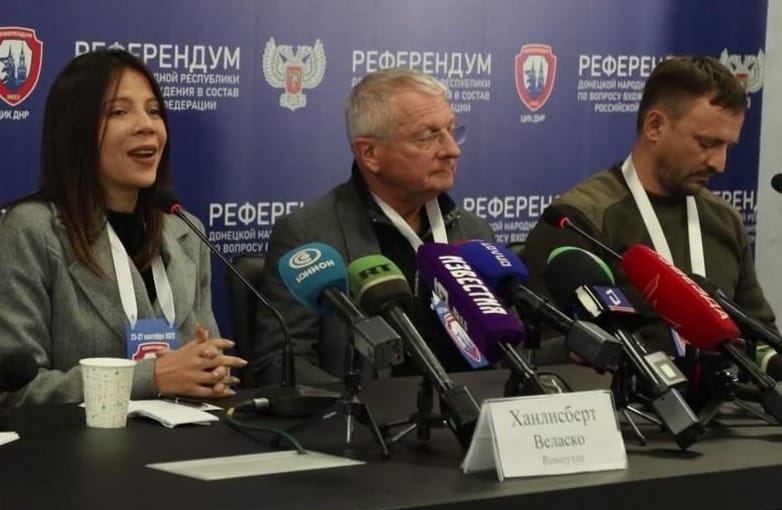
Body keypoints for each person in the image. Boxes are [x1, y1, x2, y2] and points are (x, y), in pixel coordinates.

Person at [0, 49, 247, 407]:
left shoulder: (184, 231)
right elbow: (15, 392)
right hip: (74, 454)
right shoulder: (31, 230)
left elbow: (207, 359)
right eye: (119, 112)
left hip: (186, 443)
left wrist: (210, 371)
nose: (146, 125)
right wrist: (152, 378)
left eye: (153, 111)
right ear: (76, 130)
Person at [522, 55, 781, 377]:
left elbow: (760, 337)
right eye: (707, 143)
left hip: (731, 413)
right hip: (628, 417)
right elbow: (540, 349)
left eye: (728, 146)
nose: (719, 163)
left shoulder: (723, 219)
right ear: (655, 126)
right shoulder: (580, 219)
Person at [252, 68, 494, 385]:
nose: (452, 150)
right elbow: (281, 364)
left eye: (452, 130)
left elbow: (505, 348)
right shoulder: (308, 235)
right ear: (370, 153)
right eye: (428, 137)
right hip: (374, 425)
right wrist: (362, 408)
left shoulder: (472, 232)